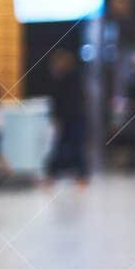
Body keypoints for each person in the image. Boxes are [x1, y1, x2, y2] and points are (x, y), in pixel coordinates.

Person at [44, 50, 88, 184]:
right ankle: (52, 174)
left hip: (74, 118)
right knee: (60, 146)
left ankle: (81, 175)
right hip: (66, 118)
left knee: (76, 146)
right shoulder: (59, 78)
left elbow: (71, 100)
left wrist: (59, 116)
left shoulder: (72, 78)